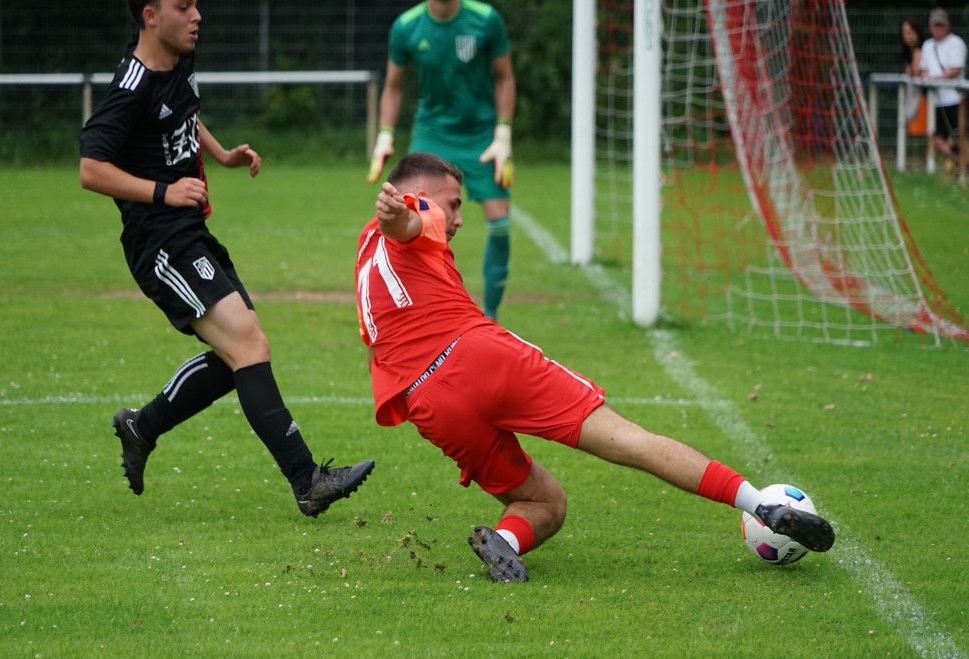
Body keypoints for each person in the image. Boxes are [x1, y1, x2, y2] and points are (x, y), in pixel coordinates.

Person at [355, 153, 836, 582]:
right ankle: (762, 505)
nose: (459, 217)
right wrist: (402, 216)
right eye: (455, 203)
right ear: (421, 194)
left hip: (428, 402)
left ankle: (505, 542)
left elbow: (377, 339)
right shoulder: (419, 210)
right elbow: (411, 222)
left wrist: (394, 222)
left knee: (546, 502)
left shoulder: (364, 249)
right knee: (632, 441)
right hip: (481, 357)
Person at [79, 0, 374, 516]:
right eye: (183, 6)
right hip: (159, 242)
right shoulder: (131, 85)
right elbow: (91, 168)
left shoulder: (178, 60)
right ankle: (307, 480)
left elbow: (183, 117)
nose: (197, 15)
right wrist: (164, 191)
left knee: (236, 355)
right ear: (150, 15)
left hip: (190, 231)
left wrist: (220, 154)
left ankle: (141, 427)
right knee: (248, 344)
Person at [367, 0, 516, 320]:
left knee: (500, 226)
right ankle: (417, 310)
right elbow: (393, 86)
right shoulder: (406, 26)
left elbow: (504, 77)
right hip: (432, 133)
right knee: (412, 219)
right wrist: (385, 134)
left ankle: (490, 316)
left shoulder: (486, 19)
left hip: (482, 133)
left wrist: (503, 132)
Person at [919, 8, 967, 166]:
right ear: (930, 26)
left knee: (959, 137)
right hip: (936, 100)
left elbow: (956, 69)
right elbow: (923, 69)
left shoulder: (956, 43)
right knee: (937, 139)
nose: (938, 28)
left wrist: (935, 79)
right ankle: (962, 164)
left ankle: (962, 165)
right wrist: (926, 77)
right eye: (935, 25)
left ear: (947, 26)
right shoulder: (927, 45)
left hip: (955, 99)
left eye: (941, 25)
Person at [900, 18, 926, 129]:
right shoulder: (908, 51)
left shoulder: (919, 49)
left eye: (911, 32)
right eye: (905, 33)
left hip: (923, 93)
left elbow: (915, 71)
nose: (909, 36)